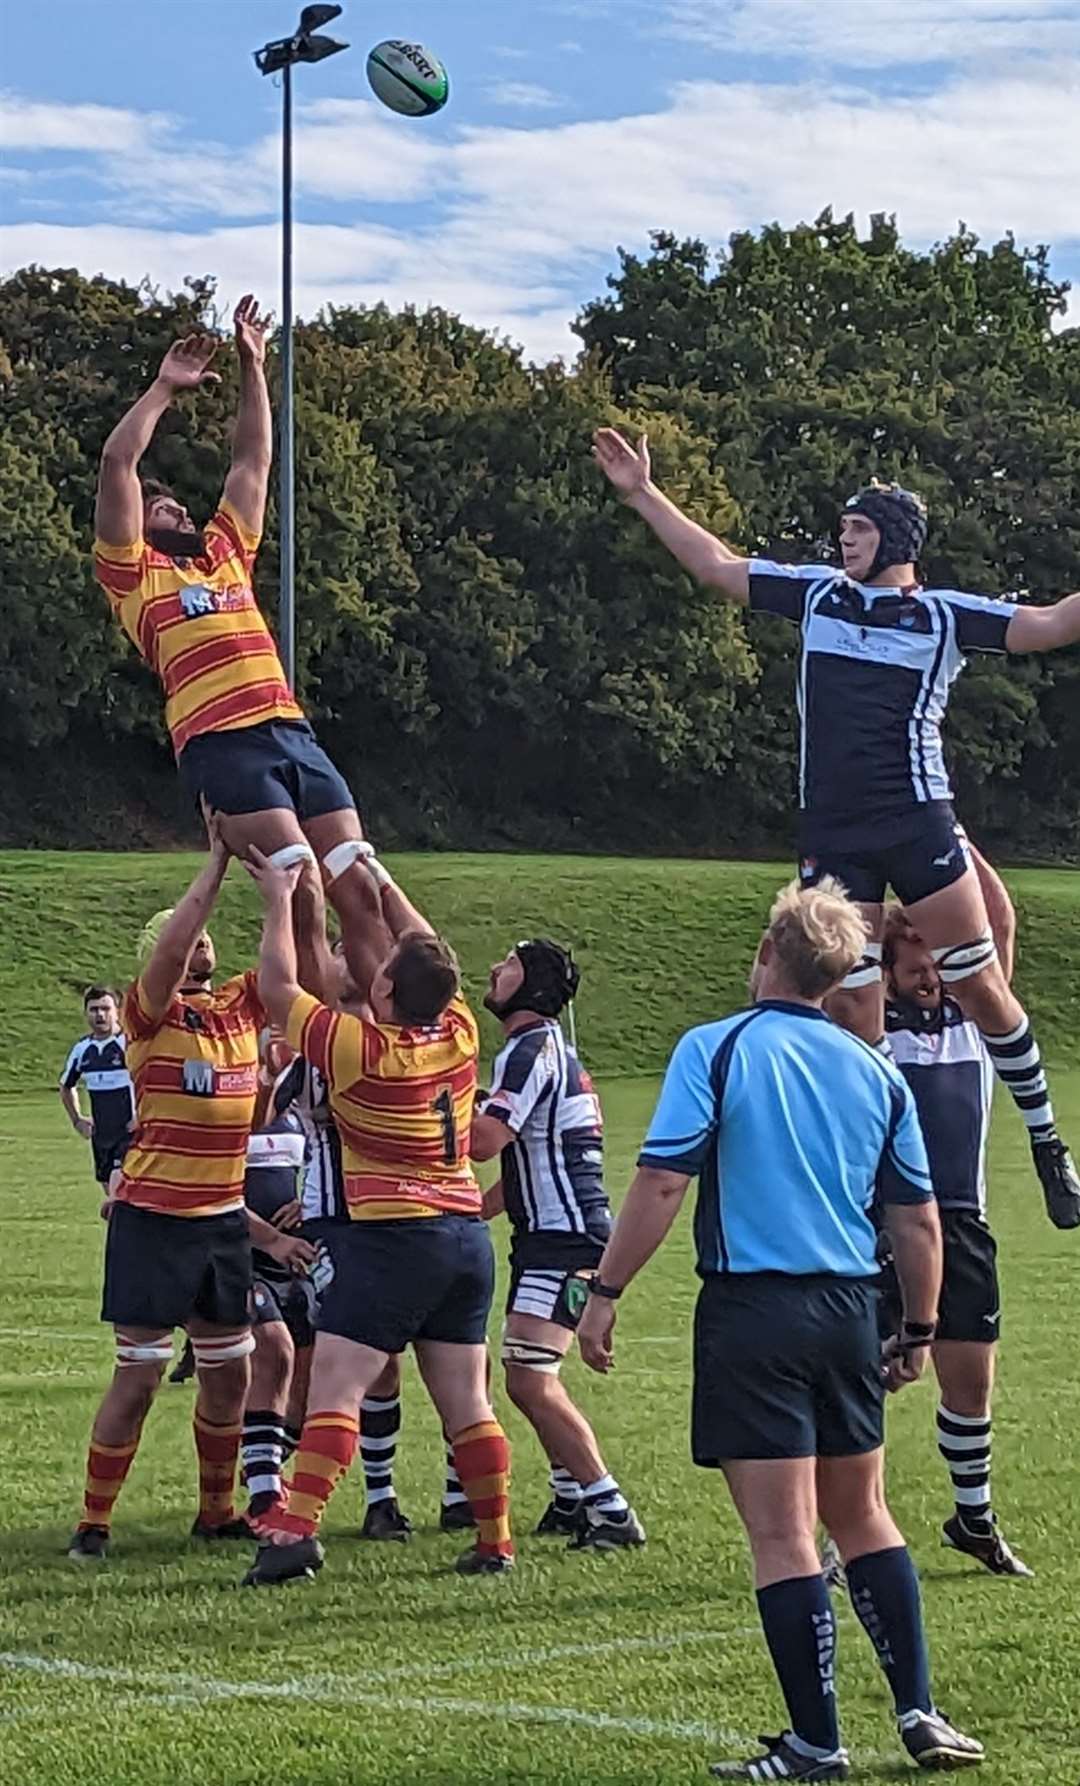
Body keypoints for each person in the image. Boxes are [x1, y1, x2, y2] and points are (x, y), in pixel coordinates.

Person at [592, 431, 1080, 1231]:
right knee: (854, 1016)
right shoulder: (817, 595)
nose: (841, 541)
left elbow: (1054, 623)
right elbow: (716, 568)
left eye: (855, 530)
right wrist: (644, 493)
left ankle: (1047, 1137)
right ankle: (893, 1170)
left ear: (892, 539)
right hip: (835, 834)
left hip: (918, 818)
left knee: (978, 987)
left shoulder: (944, 616)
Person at [577, 877, 983, 1780]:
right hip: (850, 1311)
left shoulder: (716, 1048)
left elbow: (664, 1183)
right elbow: (917, 1223)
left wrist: (604, 1292)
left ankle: (815, 1741)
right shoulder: (875, 1068)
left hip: (754, 1311)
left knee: (784, 1537)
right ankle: (919, 1710)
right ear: (840, 974)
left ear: (765, 954)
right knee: (864, 1514)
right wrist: (917, 1330)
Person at [92, 298, 388, 998]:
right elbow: (117, 462)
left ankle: (400, 1048)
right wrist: (164, 388)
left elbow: (253, 459)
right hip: (223, 745)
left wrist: (255, 364)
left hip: (292, 734)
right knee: (303, 889)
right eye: (166, 511)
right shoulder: (134, 576)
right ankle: (323, 1063)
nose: (183, 513)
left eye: (181, 508)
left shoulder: (225, 554)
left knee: (362, 890)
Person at [240, 846, 512, 1586]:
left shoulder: (358, 1048)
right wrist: (379, 878)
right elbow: (427, 949)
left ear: (385, 992)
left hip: (392, 1236)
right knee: (466, 1399)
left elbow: (278, 988)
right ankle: (495, 1537)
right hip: (464, 1233)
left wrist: (275, 899)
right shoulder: (458, 1032)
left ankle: (294, 1532)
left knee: (335, 1390)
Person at [67, 824, 297, 1559]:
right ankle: (94, 1521)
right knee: (137, 1379)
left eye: (203, 939)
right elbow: (169, 951)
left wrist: (280, 901)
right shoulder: (147, 1012)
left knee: (230, 1377)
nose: (199, 945)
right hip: (154, 1221)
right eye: (187, 937)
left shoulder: (237, 1005)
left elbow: (283, 973)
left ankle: (216, 1510)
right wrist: (218, 860)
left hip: (221, 1223)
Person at [472, 939, 645, 1549]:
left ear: (536, 987)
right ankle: (572, 1499)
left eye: (510, 964)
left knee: (528, 1378)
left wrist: (416, 1104)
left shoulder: (529, 1050)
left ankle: (610, 1507)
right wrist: (474, 1208)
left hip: (563, 1239)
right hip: (556, 1234)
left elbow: (485, 1140)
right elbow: (529, 1160)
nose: (494, 968)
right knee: (529, 1370)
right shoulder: (545, 1050)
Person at [880, 898, 1031, 1577]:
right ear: (886, 972)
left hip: (962, 1225)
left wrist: (952, 846)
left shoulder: (974, 1024)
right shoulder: (868, 1031)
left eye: (938, 966)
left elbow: (1000, 927)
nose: (931, 978)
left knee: (970, 1387)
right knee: (865, 1382)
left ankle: (973, 1518)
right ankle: (844, 1534)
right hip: (883, 1226)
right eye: (916, 968)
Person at [59, 986, 135, 1189]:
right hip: (102, 1135)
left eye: (105, 1008)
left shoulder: (130, 1044)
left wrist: (142, 1116)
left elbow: (153, 1081)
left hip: (131, 1132)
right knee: (110, 1194)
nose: (100, 1015)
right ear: (86, 1013)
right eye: (94, 1010)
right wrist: (77, 1120)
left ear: (117, 1011)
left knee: (122, 1193)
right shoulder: (82, 1049)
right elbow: (66, 1087)